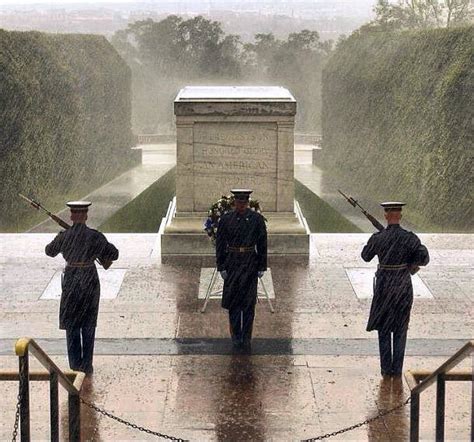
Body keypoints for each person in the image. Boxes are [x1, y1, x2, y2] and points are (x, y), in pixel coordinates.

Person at [45, 201, 118, 374]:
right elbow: (114, 254)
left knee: (72, 324)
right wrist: (97, 250)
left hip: (71, 280)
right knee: (88, 323)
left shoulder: (64, 236)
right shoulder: (95, 236)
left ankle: (75, 365)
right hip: (89, 279)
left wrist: (62, 236)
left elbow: (49, 251)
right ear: (86, 216)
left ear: (71, 216)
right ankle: (87, 364)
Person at [361, 202, 429, 376]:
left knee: (383, 329)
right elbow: (424, 257)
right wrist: (409, 263)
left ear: (386, 216)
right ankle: (397, 370)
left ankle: (386, 369)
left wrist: (376, 240)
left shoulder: (378, 238)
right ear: (400, 216)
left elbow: (366, 256)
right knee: (400, 329)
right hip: (402, 286)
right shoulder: (410, 238)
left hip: (384, 286)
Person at [216, 189, 267, 350]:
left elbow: (262, 244)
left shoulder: (256, 219)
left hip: (250, 262)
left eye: (244, 202)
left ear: (247, 203)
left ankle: (246, 336)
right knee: (234, 302)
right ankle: (236, 336)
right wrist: (221, 266)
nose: (241, 205)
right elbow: (220, 244)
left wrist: (262, 265)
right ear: (234, 203)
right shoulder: (226, 220)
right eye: (239, 202)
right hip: (232, 263)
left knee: (248, 302)